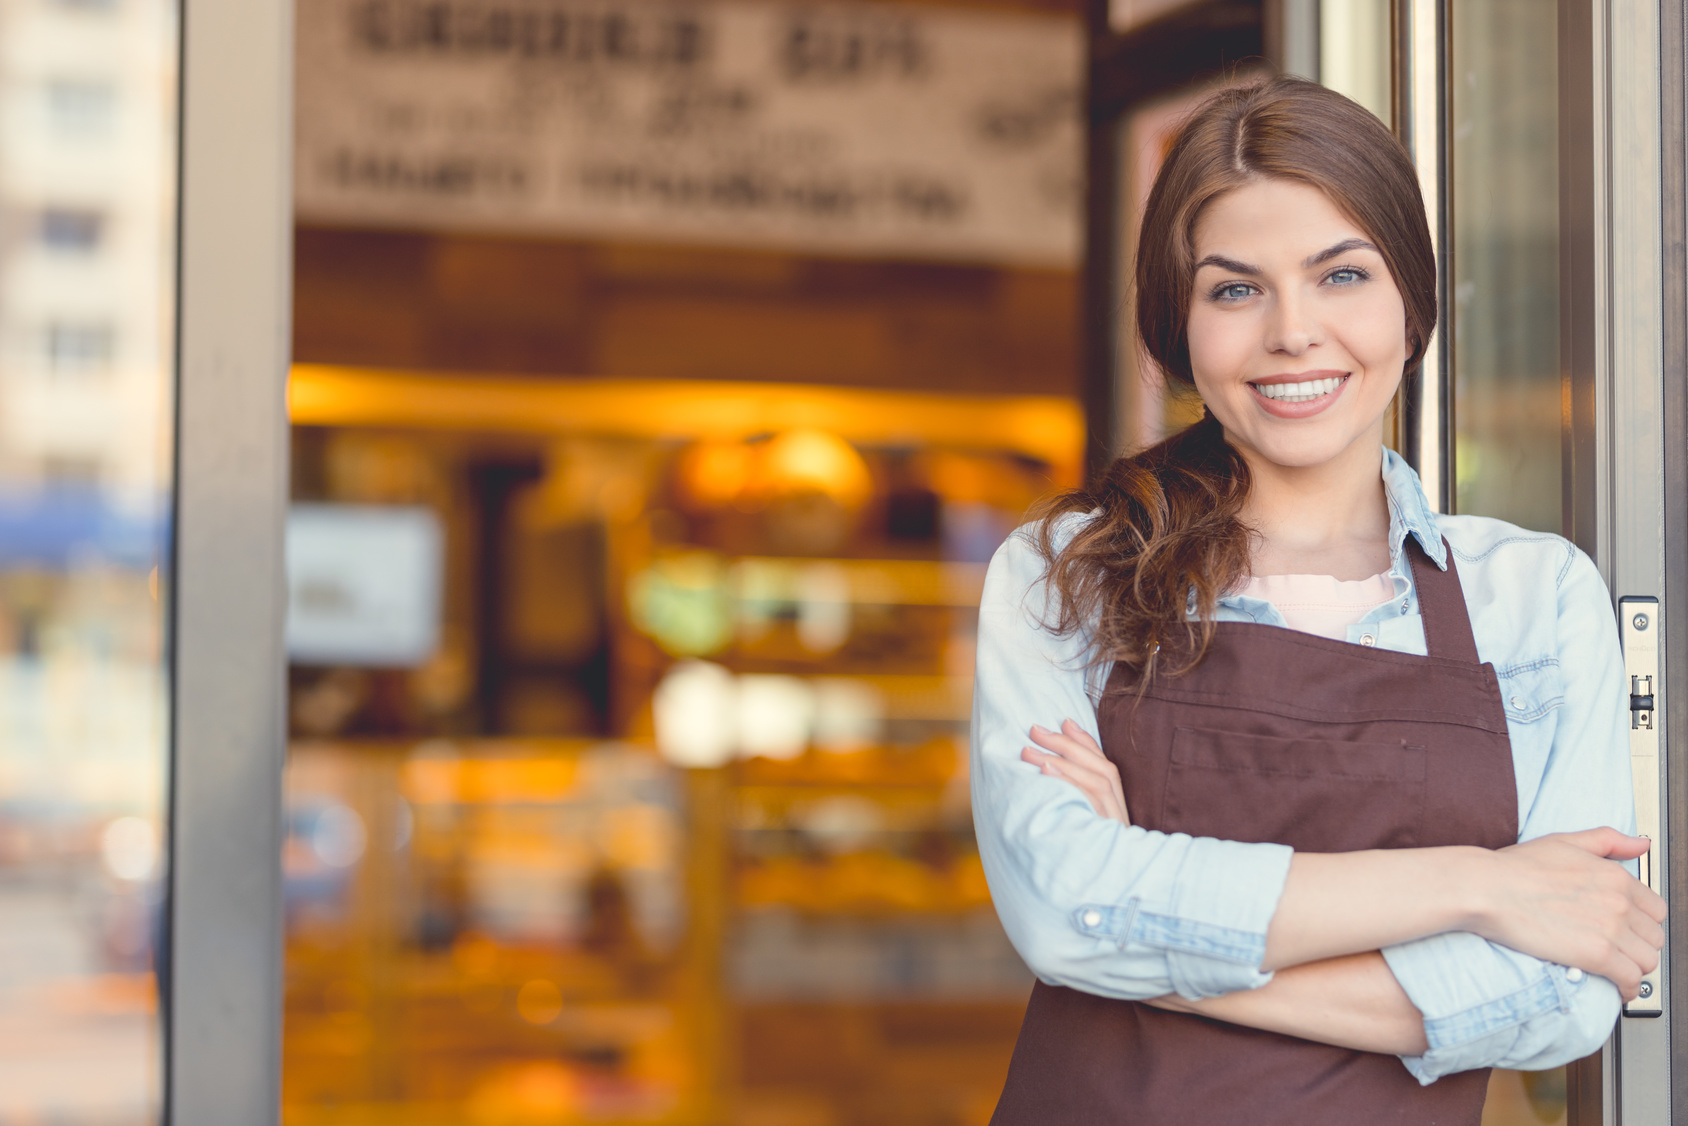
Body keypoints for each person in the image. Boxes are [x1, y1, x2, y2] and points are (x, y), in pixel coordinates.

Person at [971, 76, 1666, 1126]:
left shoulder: (1534, 596)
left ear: (1410, 306)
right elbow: (1064, 913)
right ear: (1180, 326)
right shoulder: (1066, 572)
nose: (1293, 333)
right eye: (1234, 289)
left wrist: (1154, 945)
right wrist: (1478, 886)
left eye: (1340, 274)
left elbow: (1560, 996)